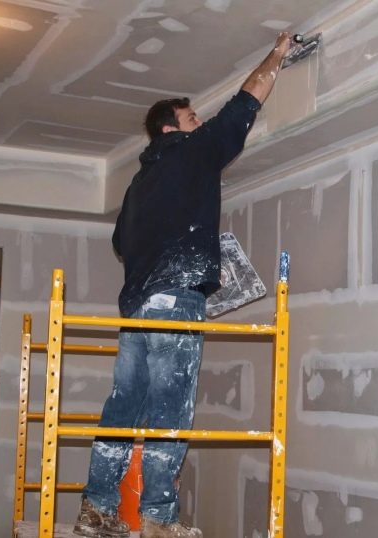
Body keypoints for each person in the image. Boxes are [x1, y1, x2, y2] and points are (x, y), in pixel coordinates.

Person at [74, 32, 292, 538]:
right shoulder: (191, 152)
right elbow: (246, 101)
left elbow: (121, 241)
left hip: (137, 308)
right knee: (170, 406)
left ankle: (97, 508)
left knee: (124, 406)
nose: (200, 122)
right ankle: (157, 516)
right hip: (174, 300)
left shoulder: (136, 186)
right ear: (172, 127)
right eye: (193, 117)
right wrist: (278, 54)